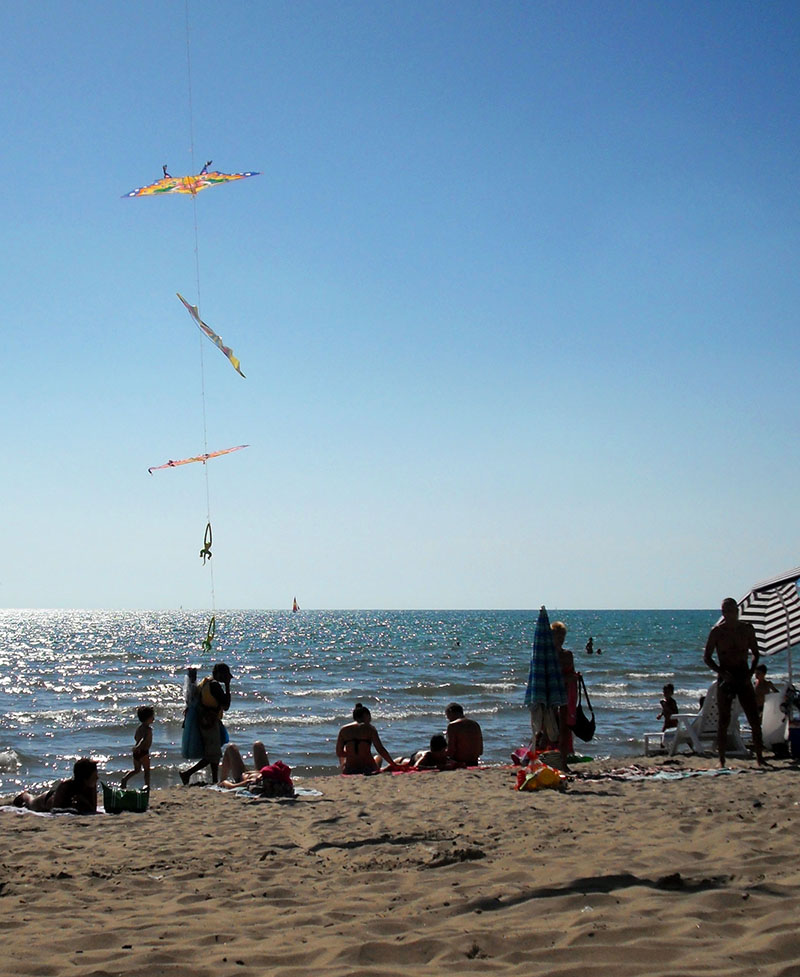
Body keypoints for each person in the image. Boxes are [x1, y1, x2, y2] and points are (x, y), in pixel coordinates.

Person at [703, 597, 765, 766]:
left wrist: (751, 673)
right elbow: (707, 657)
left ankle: (760, 757)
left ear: (737, 612)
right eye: (725, 611)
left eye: (732, 611)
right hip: (726, 676)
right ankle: (722, 759)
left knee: (753, 717)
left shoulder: (746, 629)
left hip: (743, 675)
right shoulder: (717, 632)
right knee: (724, 718)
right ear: (722, 613)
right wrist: (721, 672)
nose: (729, 614)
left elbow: (756, 653)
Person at [180, 662, 232, 784]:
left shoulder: (205, 682)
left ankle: (214, 780)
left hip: (204, 720)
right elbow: (226, 706)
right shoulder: (215, 686)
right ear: (219, 674)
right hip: (210, 722)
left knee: (213, 752)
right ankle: (187, 773)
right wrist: (228, 686)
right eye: (224, 676)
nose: (226, 678)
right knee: (213, 755)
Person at [14, 758, 98, 814]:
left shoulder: (91, 786)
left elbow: (93, 809)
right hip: (47, 799)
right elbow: (55, 809)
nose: (97, 778)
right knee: (31, 803)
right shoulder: (66, 786)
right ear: (85, 778)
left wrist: (83, 801)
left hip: (57, 798)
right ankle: (25, 795)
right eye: (94, 776)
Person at [336, 703, 401, 775]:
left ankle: (345, 768)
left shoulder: (344, 729)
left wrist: (352, 754)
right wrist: (393, 764)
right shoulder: (370, 729)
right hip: (368, 768)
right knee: (378, 757)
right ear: (366, 715)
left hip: (350, 769)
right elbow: (380, 749)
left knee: (345, 750)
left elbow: (339, 753)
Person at [551, 622, 580, 764]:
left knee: (566, 727)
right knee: (551, 727)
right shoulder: (549, 656)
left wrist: (574, 677)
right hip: (554, 694)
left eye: (562, 636)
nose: (561, 639)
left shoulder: (568, 655)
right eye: (558, 636)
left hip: (568, 694)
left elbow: (572, 672)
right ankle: (552, 754)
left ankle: (565, 755)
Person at [120, 705, 155, 789]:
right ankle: (147, 785)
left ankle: (125, 779)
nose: (153, 719)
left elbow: (136, 737)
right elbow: (142, 740)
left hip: (136, 753)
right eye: (152, 717)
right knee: (147, 770)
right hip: (143, 752)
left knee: (137, 770)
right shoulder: (148, 730)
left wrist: (136, 747)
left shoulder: (139, 728)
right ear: (148, 718)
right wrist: (139, 746)